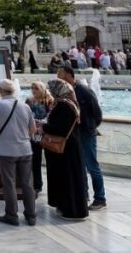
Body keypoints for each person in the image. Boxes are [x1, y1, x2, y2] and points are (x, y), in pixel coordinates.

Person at [0, 79, 37, 226]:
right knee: (28, 183)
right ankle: (31, 215)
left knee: (9, 183)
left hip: (6, 150)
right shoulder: (25, 106)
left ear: (1, 91)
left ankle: (12, 215)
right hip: (25, 149)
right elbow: (33, 129)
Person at [57, 65, 106, 210]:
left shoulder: (83, 91)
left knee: (92, 165)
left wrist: (91, 127)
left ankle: (100, 198)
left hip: (86, 133)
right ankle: (83, 195)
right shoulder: (64, 92)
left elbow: (97, 113)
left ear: (68, 75)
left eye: (60, 74)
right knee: (79, 165)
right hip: (74, 133)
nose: (58, 77)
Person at [43, 79, 88, 221]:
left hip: (66, 150)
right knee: (70, 178)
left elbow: (61, 129)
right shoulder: (70, 103)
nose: (50, 93)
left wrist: (43, 127)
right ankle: (67, 207)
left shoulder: (63, 105)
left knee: (68, 179)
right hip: (71, 147)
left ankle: (71, 210)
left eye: (52, 90)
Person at [26, 81, 54, 193]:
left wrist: (42, 124)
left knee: (50, 160)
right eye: (32, 88)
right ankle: (37, 184)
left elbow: (51, 116)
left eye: (36, 88)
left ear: (42, 89)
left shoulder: (49, 100)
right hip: (34, 134)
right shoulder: (29, 101)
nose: (33, 90)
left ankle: (52, 187)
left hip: (46, 133)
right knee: (35, 159)